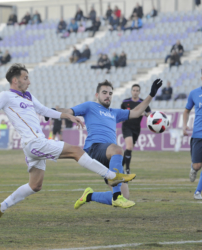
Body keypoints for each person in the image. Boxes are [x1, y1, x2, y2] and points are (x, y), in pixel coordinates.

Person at [0, 63, 136, 224]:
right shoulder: (5, 96)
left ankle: (0, 208)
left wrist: (67, 116)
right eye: (25, 78)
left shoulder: (28, 96)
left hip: (36, 144)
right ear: (15, 80)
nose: (29, 82)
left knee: (35, 185)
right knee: (76, 151)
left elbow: (45, 111)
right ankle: (111, 176)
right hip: (33, 143)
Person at [56, 79, 162, 210]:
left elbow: (136, 112)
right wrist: (52, 111)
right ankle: (117, 196)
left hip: (110, 155)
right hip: (94, 149)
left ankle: (89, 196)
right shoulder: (90, 106)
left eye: (110, 93)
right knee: (118, 149)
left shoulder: (115, 113)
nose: (108, 96)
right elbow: (69, 110)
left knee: (126, 195)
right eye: (104, 92)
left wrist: (151, 94)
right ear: (97, 95)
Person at [184, 65, 202, 200]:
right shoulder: (194, 93)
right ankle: (193, 168)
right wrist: (184, 126)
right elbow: (186, 110)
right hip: (198, 135)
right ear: (201, 77)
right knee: (198, 165)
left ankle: (197, 192)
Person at [120, 84, 151, 174]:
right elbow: (121, 113)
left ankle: (120, 166)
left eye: (137, 90)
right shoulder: (125, 102)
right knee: (129, 147)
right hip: (127, 126)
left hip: (136, 128)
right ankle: (128, 169)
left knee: (129, 149)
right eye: (134, 90)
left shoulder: (143, 102)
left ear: (139, 92)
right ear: (131, 91)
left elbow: (150, 114)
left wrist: (144, 113)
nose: (135, 92)